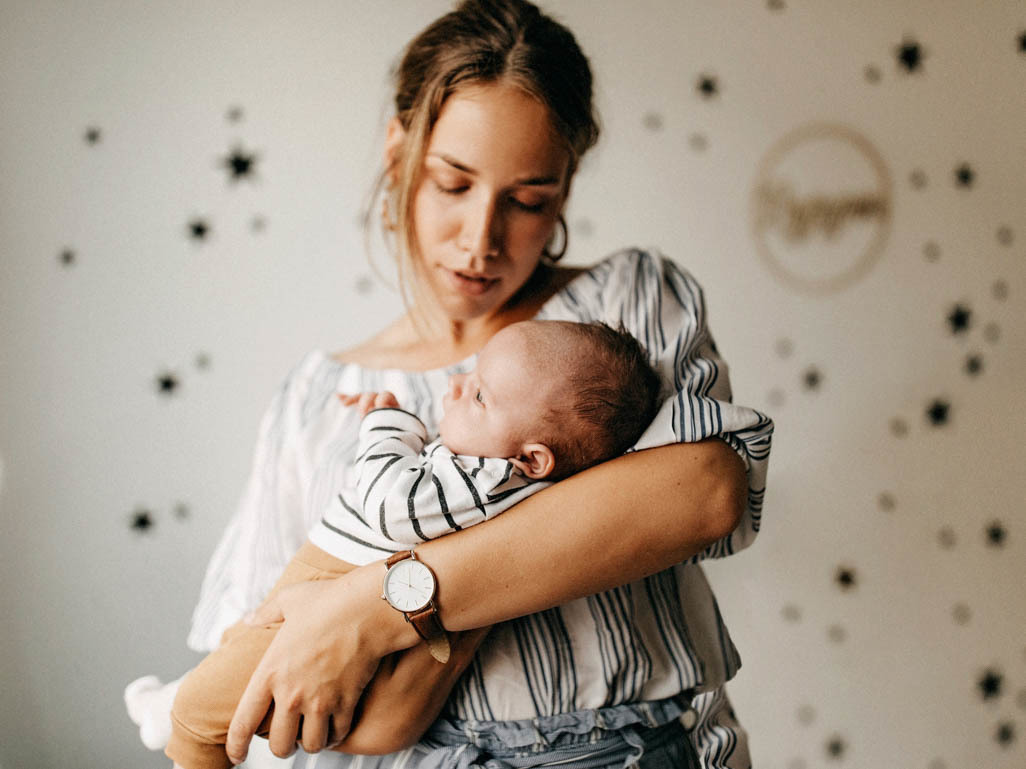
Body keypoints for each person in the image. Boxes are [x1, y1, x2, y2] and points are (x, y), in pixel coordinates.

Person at [180, 1, 773, 768]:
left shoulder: (620, 310)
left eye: (529, 201)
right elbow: (266, 673)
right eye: (452, 183)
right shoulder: (317, 400)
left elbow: (701, 491)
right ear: (399, 154)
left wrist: (376, 606)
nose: (481, 239)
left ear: (565, 189)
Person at [164, 319, 663, 769]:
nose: (456, 385)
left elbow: (391, 504)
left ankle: (185, 742)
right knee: (241, 653)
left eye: (480, 397)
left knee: (195, 715)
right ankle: (163, 708)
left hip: (334, 583)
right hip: (346, 600)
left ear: (533, 460)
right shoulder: (496, 477)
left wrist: (387, 427)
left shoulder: (486, 479)